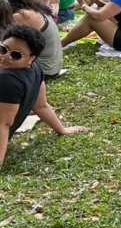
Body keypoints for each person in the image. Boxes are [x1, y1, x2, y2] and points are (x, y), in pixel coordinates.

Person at [0, 24, 86, 170]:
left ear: (31, 58)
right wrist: (62, 130)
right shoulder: (35, 68)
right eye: (3, 49)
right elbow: (41, 105)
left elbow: (3, 124)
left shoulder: (7, 80)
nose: (6, 56)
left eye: (16, 55)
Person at [0, 0, 64, 78]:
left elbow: (6, 47)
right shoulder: (33, 8)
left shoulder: (20, 16)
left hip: (43, 69)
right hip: (52, 66)